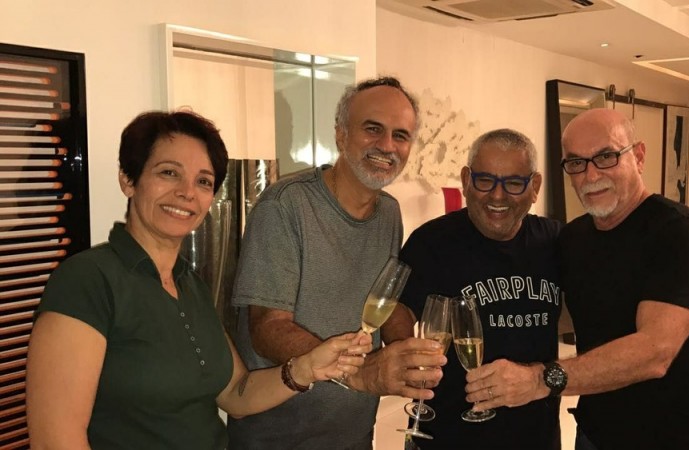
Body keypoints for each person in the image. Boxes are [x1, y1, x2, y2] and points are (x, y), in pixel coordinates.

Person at [25, 111, 372, 450]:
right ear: (128, 180)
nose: (187, 192)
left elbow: (236, 393)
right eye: (169, 173)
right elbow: (53, 440)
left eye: (203, 181)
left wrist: (306, 368)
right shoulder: (88, 280)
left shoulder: (189, 285)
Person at [466, 108, 689, 450]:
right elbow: (553, 310)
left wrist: (539, 380)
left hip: (677, 438)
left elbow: (655, 352)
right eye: (576, 162)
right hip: (595, 434)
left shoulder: (679, 233)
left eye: (606, 157)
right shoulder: (573, 238)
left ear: (639, 157)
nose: (590, 175)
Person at [227, 77, 446, 449]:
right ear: (341, 135)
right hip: (279, 440)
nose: (387, 146)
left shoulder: (388, 213)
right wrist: (358, 371)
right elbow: (267, 328)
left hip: (354, 436)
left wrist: (405, 350)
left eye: (400, 135)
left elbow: (381, 300)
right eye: (372, 129)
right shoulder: (285, 206)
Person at [385, 128, 562, 449]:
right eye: (485, 180)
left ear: (535, 187)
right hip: (448, 436)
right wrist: (406, 350)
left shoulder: (556, 241)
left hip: (535, 437)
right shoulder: (432, 242)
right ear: (466, 180)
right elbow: (400, 307)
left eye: (513, 183)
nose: (497, 196)